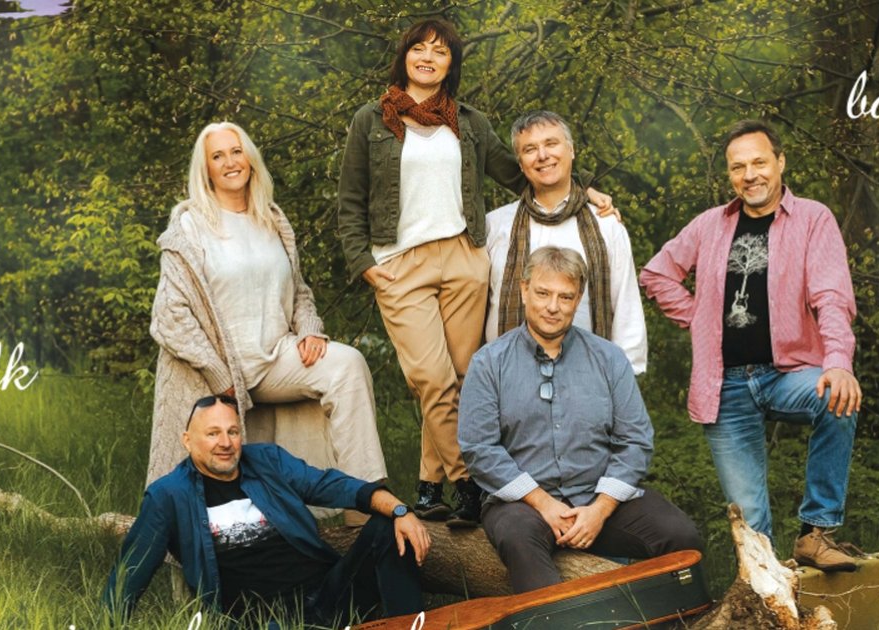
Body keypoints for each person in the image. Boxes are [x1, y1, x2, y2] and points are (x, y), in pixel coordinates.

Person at [337, 19, 614, 527]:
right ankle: (471, 484)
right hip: (399, 263)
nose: (428, 58)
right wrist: (364, 264)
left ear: (451, 65)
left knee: (463, 378)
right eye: (419, 48)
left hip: (464, 257)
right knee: (432, 378)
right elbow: (351, 198)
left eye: (440, 51)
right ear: (404, 57)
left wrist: (584, 190)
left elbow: (520, 173)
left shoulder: (469, 122)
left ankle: (428, 487)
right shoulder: (370, 120)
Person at [639, 120, 862, 571]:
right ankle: (768, 593)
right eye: (738, 167)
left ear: (780, 163)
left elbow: (832, 296)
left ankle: (816, 532)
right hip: (725, 387)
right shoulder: (709, 226)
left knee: (837, 398)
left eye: (759, 162)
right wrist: (700, 319)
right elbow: (656, 274)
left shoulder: (812, 219)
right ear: (729, 174)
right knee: (753, 527)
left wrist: (838, 362)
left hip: (787, 374)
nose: (749, 175)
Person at [148, 122, 387, 520]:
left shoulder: (271, 218)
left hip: (275, 357)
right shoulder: (190, 224)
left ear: (250, 158)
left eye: (236, 151)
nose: (230, 162)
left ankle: (366, 511)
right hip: (223, 367)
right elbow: (170, 315)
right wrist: (218, 373)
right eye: (218, 156)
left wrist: (309, 328)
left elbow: (299, 291)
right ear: (206, 169)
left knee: (348, 365)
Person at [459, 247, 702, 593]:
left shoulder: (609, 358)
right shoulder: (489, 363)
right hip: (522, 504)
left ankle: (676, 615)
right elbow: (479, 448)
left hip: (599, 496)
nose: (553, 306)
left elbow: (635, 440)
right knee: (519, 539)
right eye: (543, 293)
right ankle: (558, 618)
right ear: (524, 290)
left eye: (565, 296)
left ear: (578, 299)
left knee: (681, 535)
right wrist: (543, 502)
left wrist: (600, 510)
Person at [103, 395, 428, 625]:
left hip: (327, 597)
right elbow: (131, 572)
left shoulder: (267, 461)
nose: (225, 442)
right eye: (213, 433)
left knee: (385, 527)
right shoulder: (168, 495)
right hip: (259, 621)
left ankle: (409, 625)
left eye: (232, 431)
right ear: (187, 440)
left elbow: (332, 485)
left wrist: (400, 511)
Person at [484, 110, 647, 374]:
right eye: (530, 149)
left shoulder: (606, 225)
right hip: (506, 378)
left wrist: (627, 376)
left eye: (551, 143)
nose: (542, 155)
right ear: (521, 163)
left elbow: (626, 308)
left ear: (571, 150)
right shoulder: (495, 225)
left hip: (589, 378)